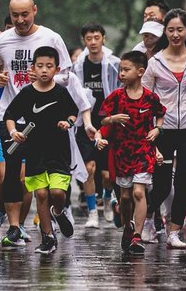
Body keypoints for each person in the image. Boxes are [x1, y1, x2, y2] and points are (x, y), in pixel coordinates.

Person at [0, 0, 73, 246]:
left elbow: (66, 75)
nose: (20, 20)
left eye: (25, 14)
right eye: (15, 15)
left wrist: (42, 79)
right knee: (10, 174)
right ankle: (14, 226)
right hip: (11, 117)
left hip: (45, 121)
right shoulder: (2, 41)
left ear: (35, 10)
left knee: (43, 176)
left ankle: (55, 213)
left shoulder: (50, 38)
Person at [142, 8, 186, 248]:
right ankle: (148, 218)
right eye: (171, 30)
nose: (175, 34)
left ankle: (173, 232)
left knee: (183, 183)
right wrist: (149, 128)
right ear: (165, 32)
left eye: (180, 29)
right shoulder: (155, 63)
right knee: (160, 185)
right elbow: (146, 97)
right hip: (163, 131)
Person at [4, 47, 78, 254]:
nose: (44, 70)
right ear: (33, 68)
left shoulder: (61, 92)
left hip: (59, 151)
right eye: (40, 66)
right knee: (42, 194)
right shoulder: (27, 93)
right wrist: (13, 132)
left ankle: (59, 212)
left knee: (56, 192)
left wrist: (68, 123)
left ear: (56, 69)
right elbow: (9, 114)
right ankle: (48, 238)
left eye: (49, 66)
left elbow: (74, 113)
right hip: (34, 151)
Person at [97, 51, 166, 255]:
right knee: (125, 197)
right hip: (122, 151)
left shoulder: (151, 97)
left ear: (140, 71)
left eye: (126, 70)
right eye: (121, 70)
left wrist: (157, 129)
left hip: (143, 149)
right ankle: (127, 227)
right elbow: (101, 119)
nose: (122, 74)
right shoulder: (116, 96)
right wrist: (112, 119)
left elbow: (160, 114)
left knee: (138, 192)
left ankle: (137, 235)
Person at [72, 23, 119, 227]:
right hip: (85, 123)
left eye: (96, 38)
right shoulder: (78, 66)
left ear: (103, 39)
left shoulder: (113, 65)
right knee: (89, 169)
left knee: (107, 174)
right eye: (89, 38)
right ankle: (92, 212)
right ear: (84, 41)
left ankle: (107, 198)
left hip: (108, 123)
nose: (93, 42)